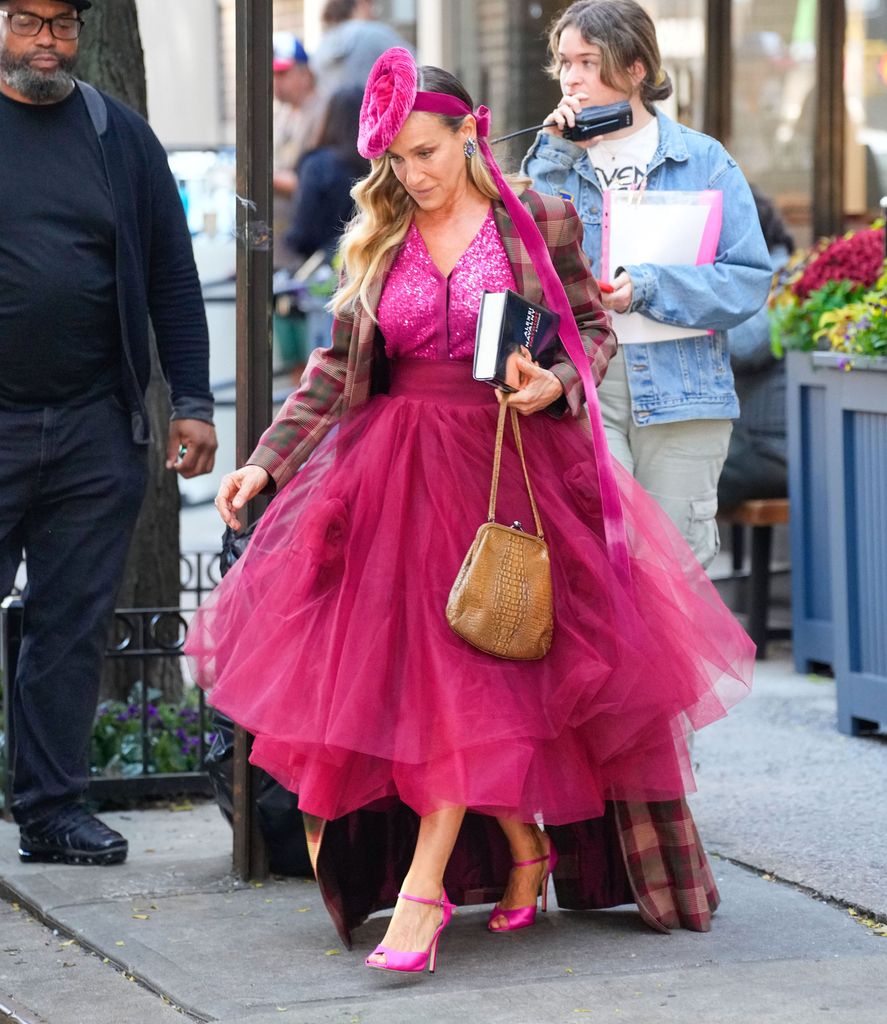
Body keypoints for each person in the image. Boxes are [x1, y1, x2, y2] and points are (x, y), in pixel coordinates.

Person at [186, 48, 754, 974]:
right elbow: (336, 368)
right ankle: (517, 853)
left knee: (486, 670)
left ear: (469, 135)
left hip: (508, 469)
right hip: (390, 475)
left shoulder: (539, 219)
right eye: (395, 162)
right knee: (433, 681)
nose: (411, 176)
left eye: (426, 153)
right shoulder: (375, 233)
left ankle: (423, 892)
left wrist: (559, 382)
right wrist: (263, 464)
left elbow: (592, 330)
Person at [0, 0, 217, 865]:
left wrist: (193, 400)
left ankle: (51, 811)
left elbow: (172, 270)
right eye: (25, 20)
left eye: (62, 24)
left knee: (69, 624)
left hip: (96, 425)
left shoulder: (116, 135)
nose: (46, 41)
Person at [523, 0, 772, 568]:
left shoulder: (701, 160)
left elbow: (748, 280)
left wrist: (649, 286)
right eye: (565, 63)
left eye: (588, 61)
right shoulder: (557, 161)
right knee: (598, 570)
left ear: (636, 68)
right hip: (588, 385)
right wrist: (556, 151)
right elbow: (523, 256)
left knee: (674, 577)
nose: (572, 78)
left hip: (683, 388)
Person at [718, 188, 794, 510]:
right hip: (746, 443)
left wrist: (691, 313)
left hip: (776, 451)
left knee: (680, 474)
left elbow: (748, 345)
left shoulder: (789, 280)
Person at [285, 84, 369, 262]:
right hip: (364, 263)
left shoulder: (317, 164)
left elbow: (303, 231)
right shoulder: (378, 163)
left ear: (329, 118)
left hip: (321, 269)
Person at [271, 33, 324, 269]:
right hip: (277, 246)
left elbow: (311, 184)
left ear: (305, 74)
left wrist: (257, 177)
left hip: (306, 249)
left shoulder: (322, 112)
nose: (276, 82)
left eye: (283, 73)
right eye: (272, 74)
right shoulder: (281, 114)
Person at [311, 0, 411, 96]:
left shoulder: (321, 47)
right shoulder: (374, 33)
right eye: (372, 5)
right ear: (361, 3)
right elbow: (414, 65)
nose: (374, 14)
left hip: (335, 112)